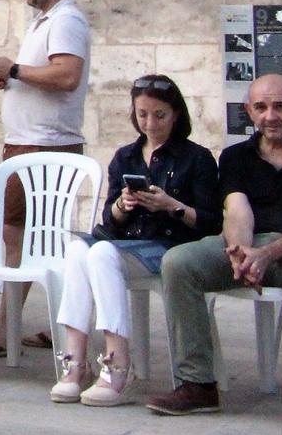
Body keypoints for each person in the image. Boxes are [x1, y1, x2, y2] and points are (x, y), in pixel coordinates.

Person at [146, 74, 282, 430]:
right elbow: (237, 212)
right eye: (261, 107)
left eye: (280, 106)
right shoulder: (236, 156)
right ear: (248, 112)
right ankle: (197, 384)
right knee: (179, 263)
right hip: (252, 245)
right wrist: (241, 252)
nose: (270, 116)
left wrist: (266, 253)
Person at [50, 74, 220, 406]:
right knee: (76, 250)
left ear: (176, 115)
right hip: (127, 243)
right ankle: (75, 360)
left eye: (159, 115)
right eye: (142, 114)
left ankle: (117, 362)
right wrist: (122, 206)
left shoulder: (195, 158)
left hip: (170, 246)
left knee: (100, 254)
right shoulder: (125, 157)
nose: (150, 123)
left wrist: (171, 206)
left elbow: (210, 222)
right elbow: (109, 222)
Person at [0, 0, 90, 360]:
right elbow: (47, 75)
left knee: (23, 237)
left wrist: (15, 70)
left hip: (45, 145)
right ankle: (57, 324)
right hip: (28, 142)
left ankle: (6, 328)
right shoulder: (45, 22)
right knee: (21, 236)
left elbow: (67, 75)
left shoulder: (67, 20)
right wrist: (11, 79)